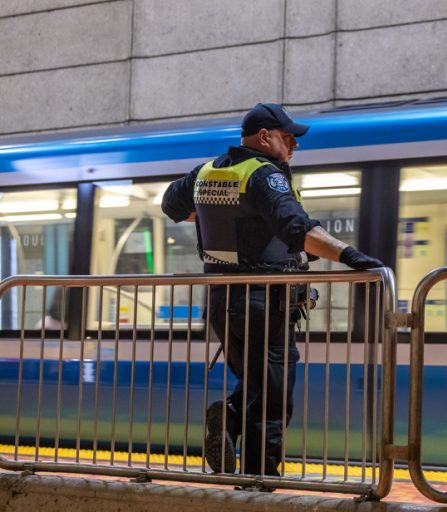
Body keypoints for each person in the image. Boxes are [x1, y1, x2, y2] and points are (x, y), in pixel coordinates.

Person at [161, 103, 383, 476]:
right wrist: (353, 256)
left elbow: (171, 204)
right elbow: (299, 231)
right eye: (288, 138)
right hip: (265, 302)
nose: (294, 147)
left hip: (221, 302)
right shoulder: (264, 175)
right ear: (264, 138)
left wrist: (224, 217)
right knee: (274, 395)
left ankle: (231, 420)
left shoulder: (206, 171)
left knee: (259, 380)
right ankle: (259, 476)